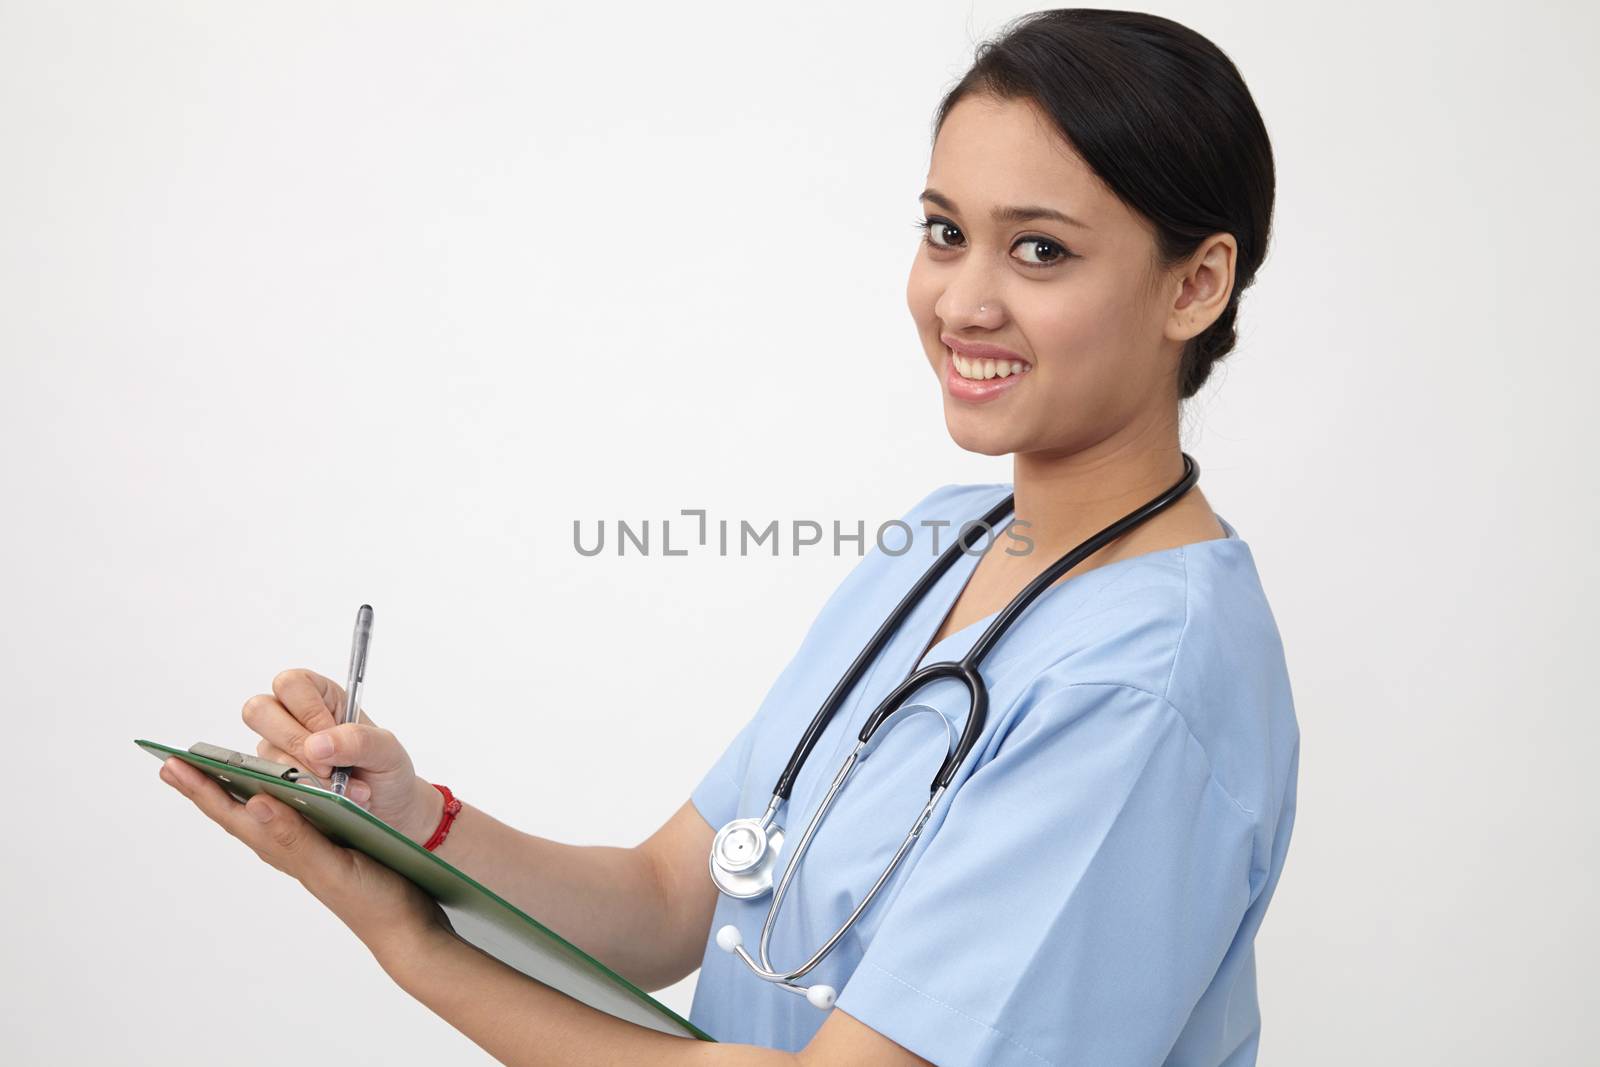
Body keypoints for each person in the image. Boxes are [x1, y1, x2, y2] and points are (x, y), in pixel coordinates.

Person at [158, 9, 1299, 1065]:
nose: (961, 302)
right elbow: (671, 896)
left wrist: (415, 946)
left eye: (1039, 249)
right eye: (944, 232)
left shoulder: (1143, 686)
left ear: (1194, 286)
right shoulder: (945, 543)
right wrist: (411, 820)